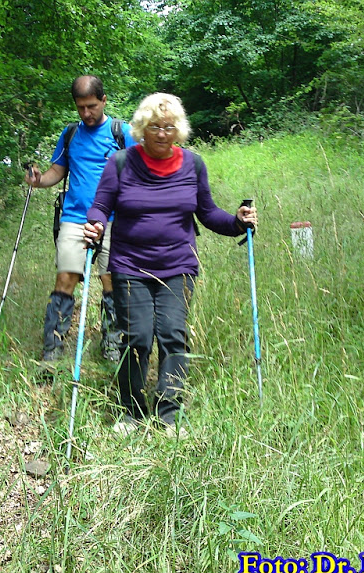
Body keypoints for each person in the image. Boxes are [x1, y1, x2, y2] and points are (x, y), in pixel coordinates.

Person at [83, 92, 258, 432]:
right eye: (154, 127)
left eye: (168, 127)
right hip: (130, 265)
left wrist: (237, 222)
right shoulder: (120, 162)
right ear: (140, 129)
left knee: (173, 336)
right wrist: (96, 223)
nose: (161, 134)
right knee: (138, 337)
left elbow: (207, 213)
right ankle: (131, 411)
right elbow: (100, 205)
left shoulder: (193, 164)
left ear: (178, 129)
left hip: (178, 265)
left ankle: (169, 412)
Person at [24, 75, 137, 363]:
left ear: (103, 101)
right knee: (65, 278)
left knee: (112, 279)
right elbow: (57, 172)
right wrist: (38, 181)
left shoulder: (121, 133)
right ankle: (53, 348)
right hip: (75, 217)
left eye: (91, 106)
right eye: (80, 108)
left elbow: (140, 173)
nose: (86, 113)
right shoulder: (70, 134)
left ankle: (112, 344)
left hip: (115, 219)